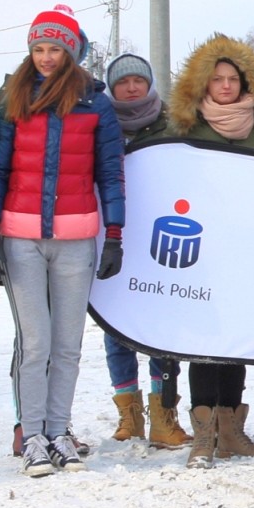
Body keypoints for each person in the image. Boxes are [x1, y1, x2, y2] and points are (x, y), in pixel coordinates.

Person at [0, 5, 125, 477]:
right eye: (38, 48)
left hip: (76, 237)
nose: (45, 57)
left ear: (70, 52)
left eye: (54, 49)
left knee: (67, 343)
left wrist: (115, 235)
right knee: (34, 342)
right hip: (21, 238)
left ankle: (60, 432)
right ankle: (33, 435)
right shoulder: (11, 99)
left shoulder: (94, 102)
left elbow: (110, 172)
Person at [170, 32, 254, 466]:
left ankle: (231, 429)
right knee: (205, 339)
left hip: (248, 250)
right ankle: (204, 434)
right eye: (216, 79)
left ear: (245, 84)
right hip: (201, 252)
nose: (224, 86)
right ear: (202, 84)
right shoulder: (186, 129)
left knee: (236, 339)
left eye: (232, 79)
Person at [98, 53, 190, 448]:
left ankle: (164, 414)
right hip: (114, 236)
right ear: (112, 88)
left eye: (139, 80)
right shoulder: (101, 124)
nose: (131, 87)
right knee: (115, 327)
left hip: (162, 240)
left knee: (160, 327)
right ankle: (129, 415)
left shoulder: (173, 124)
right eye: (123, 82)